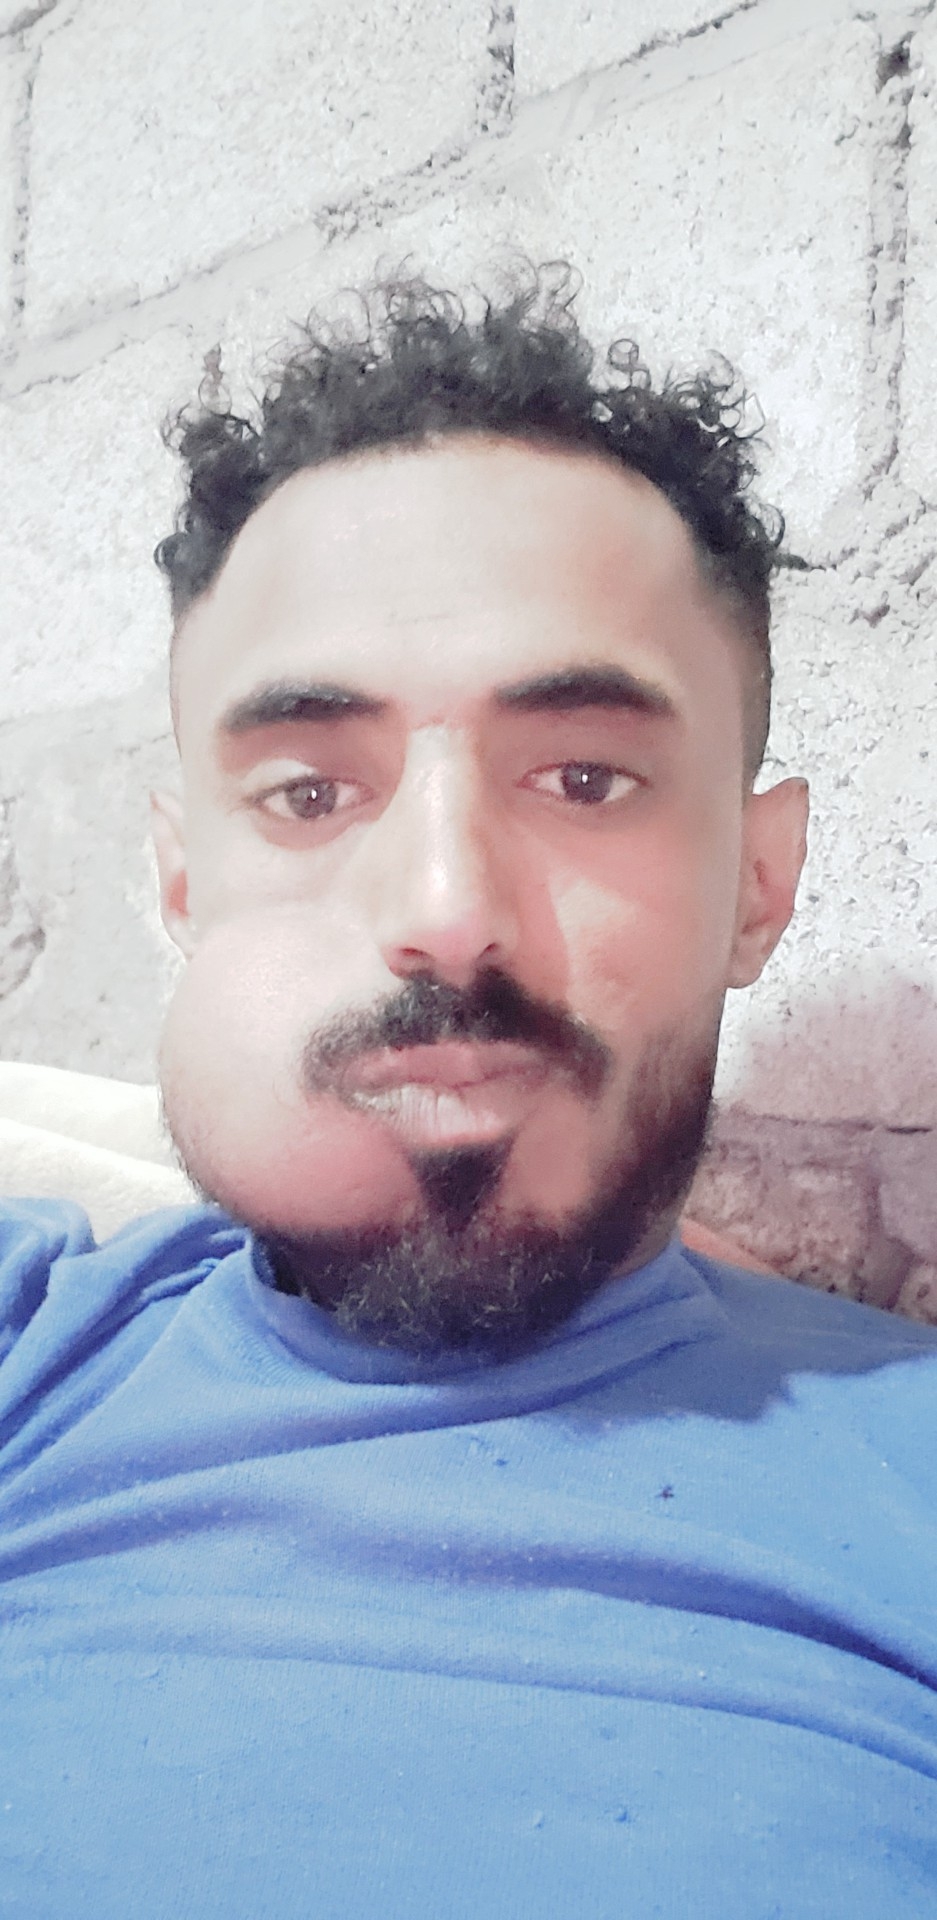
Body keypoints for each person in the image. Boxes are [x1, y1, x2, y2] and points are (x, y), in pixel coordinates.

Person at [2, 271, 936, 1919]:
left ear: (756, 885)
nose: (445, 906)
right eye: (308, 793)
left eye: (583, 777)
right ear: (181, 886)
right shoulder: (32, 1351)